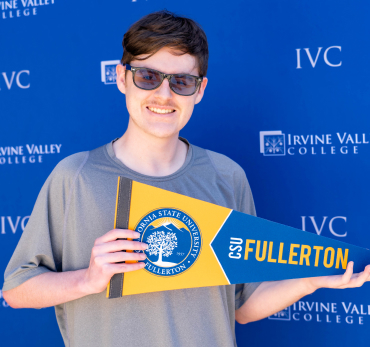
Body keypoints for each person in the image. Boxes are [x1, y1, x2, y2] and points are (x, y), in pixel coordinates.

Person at [2, 10, 370, 347]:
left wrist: (313, 280)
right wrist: (88, 279)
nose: (163, 95)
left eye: (181, 82)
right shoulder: (75, 176)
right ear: (120, 77)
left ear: (200, 90)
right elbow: (16, 291)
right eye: (147, 77)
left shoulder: (226, 177)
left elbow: (243, 304)